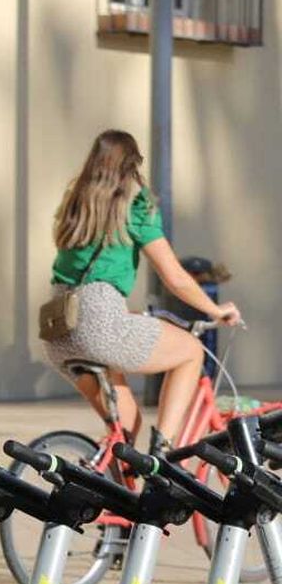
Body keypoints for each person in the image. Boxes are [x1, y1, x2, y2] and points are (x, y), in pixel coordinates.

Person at [42, 129, 241, 449]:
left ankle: (110, 488)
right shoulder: (134, 204)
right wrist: (216, 310)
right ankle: (163, 452)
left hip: (58, 330)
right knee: (191, 351)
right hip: (99, 321)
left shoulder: (74, 202)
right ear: (133, 165)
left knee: (126, 429)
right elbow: (174, 277)